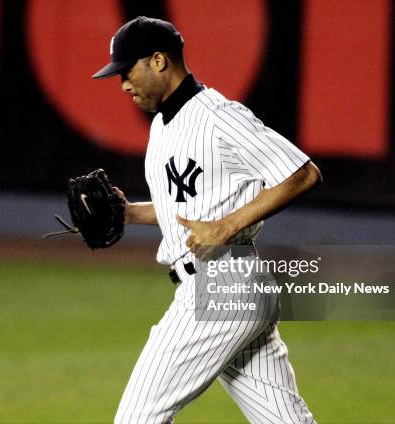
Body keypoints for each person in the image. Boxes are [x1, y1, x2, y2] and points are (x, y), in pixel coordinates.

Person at [93, 16, 320, 424]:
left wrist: (226, 226)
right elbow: (190, 210)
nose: (122, 83)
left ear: (159, 61)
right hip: (234, 286)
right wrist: (129, 213)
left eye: (126, 71)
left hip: (220, 286)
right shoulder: (163, 124)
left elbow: (302, 173)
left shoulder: (218, 117)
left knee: (137, 417)